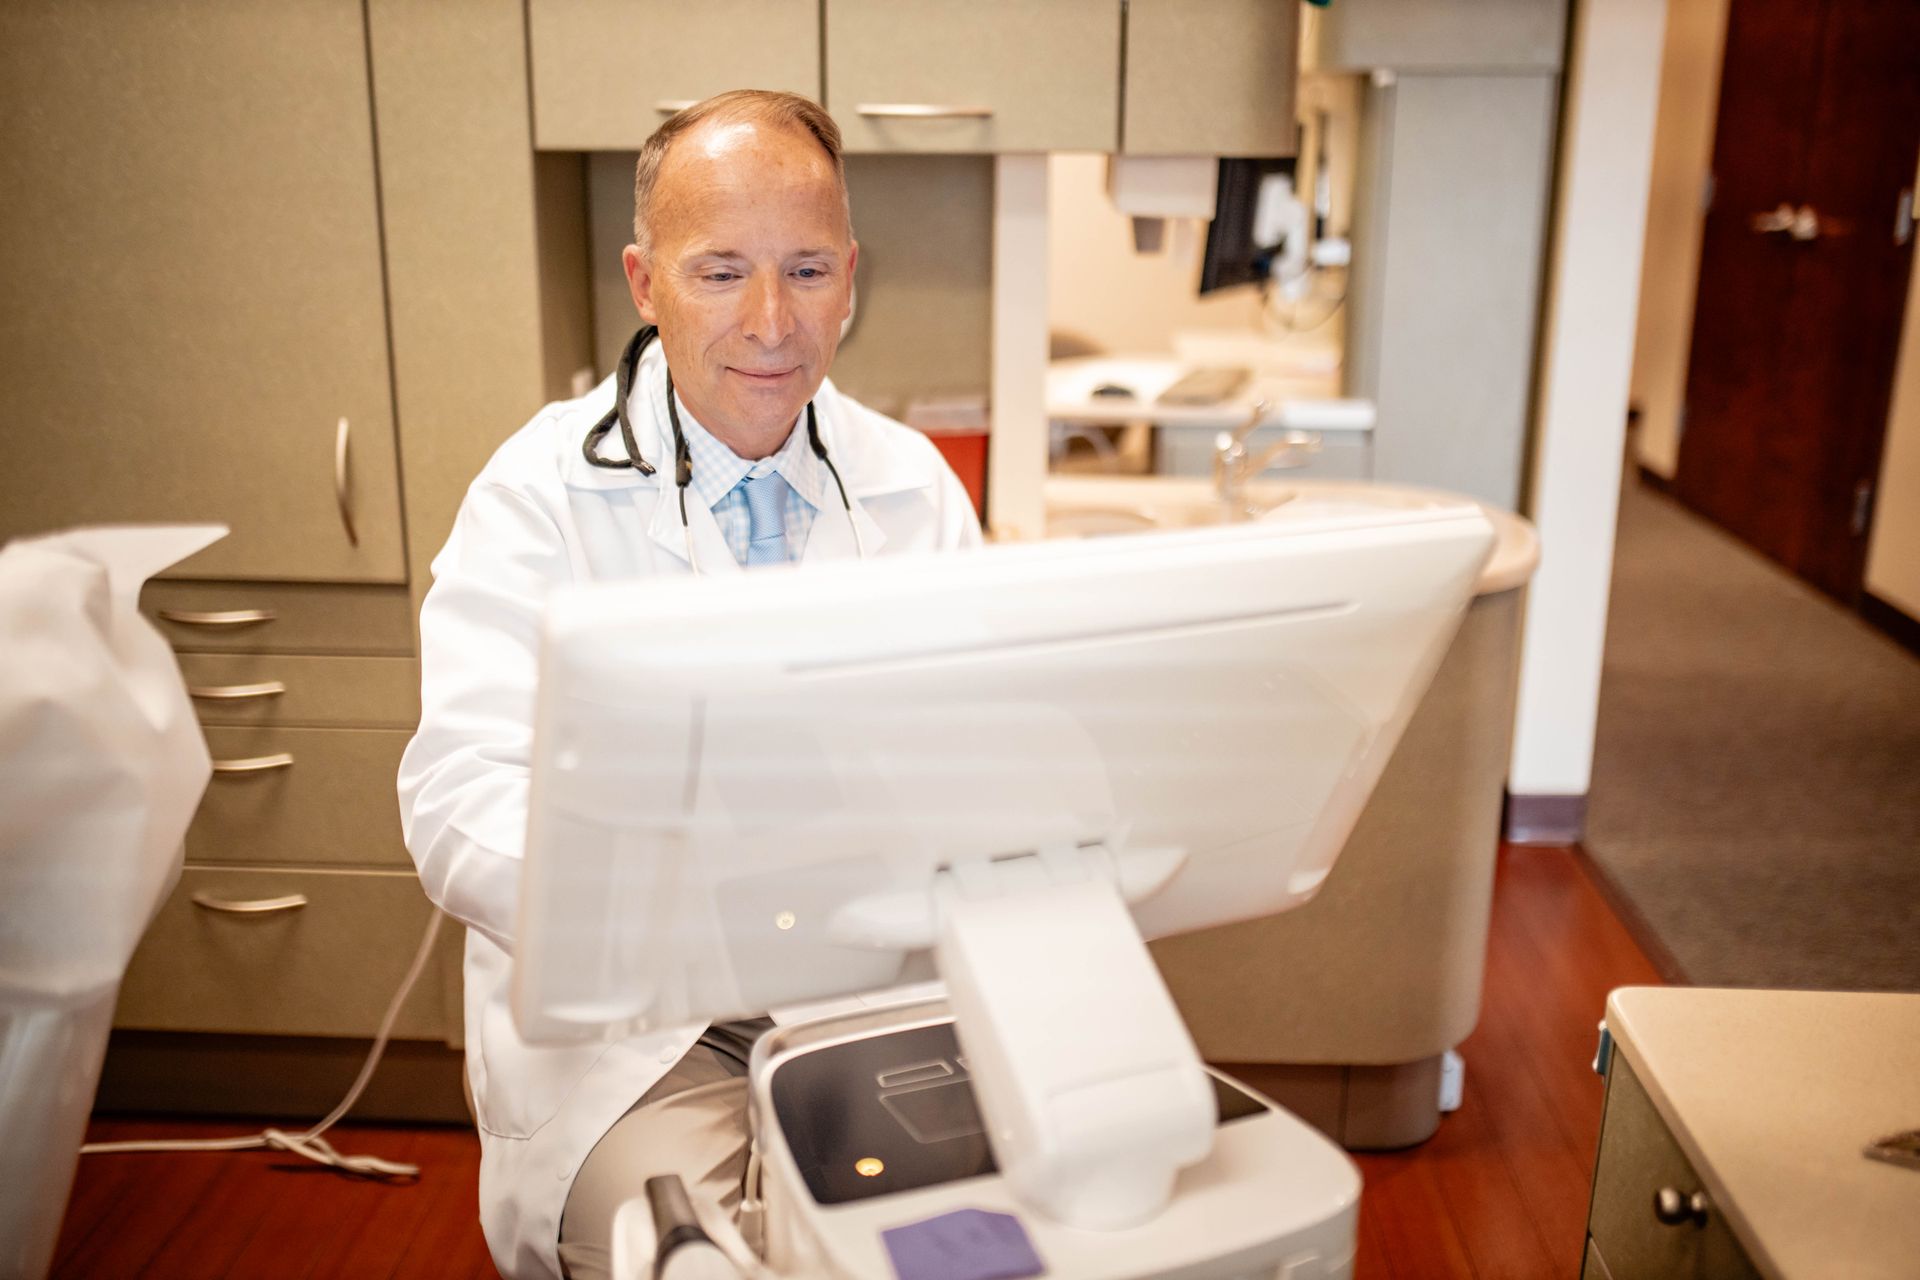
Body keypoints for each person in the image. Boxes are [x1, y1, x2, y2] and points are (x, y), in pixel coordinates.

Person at [396, 90, 983, 1280]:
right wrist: (683, 893)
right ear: (644, 281)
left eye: (807, 268)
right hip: (638, 1027)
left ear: (852, 276)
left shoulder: (911, 485)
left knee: (983, 1240)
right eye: (720, 272)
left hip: (863, 995)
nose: (773, 321)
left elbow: (983, 762)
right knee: (729, 1262)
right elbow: (457, 800)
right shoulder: (536, 496)